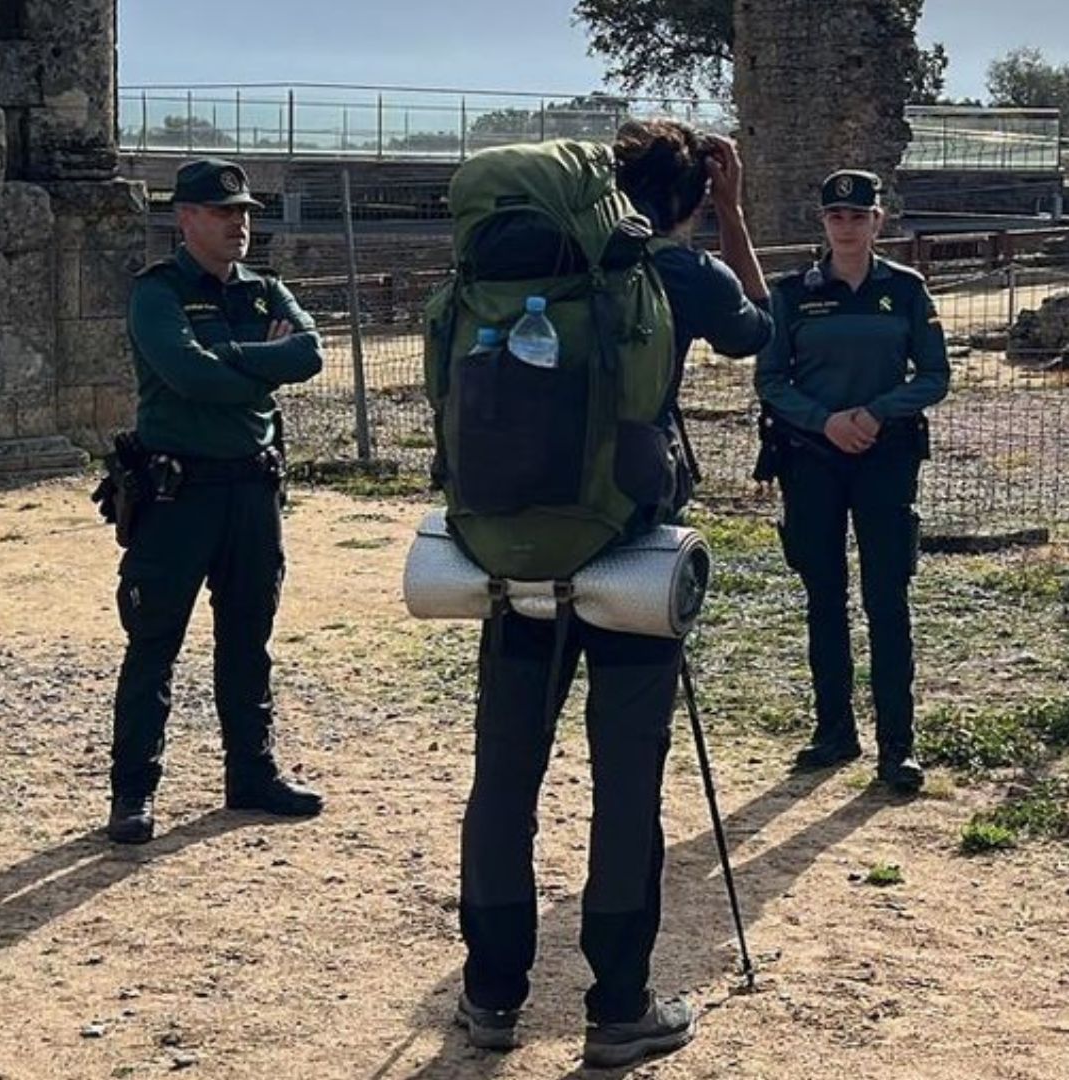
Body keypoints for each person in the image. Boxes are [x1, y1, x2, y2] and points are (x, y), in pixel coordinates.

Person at [450, 121, 772, 1065]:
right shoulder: (673, 272)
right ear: (686, 200)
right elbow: (758, 330)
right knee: (625, 783)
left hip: (512, 553)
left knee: (505, 776)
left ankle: (489, 996)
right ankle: (619, 1005)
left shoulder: (514, 269)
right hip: (628, 554)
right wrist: (736, 216)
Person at [108, 158, 325, 845]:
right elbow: (183, 373)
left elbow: (311, 354)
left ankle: (251, 774)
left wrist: (222, 355)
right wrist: (256, 366)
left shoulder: (267, 291)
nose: (241, 224)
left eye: (246, 212)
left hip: (250, 490)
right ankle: (133, 792)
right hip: (177, 494)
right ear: (187, 218)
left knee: (248, 639)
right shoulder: (157, 291)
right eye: (225, 212)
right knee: (154, 643)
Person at [755, 169, 950, 794]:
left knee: (887, 599)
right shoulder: (792, 293)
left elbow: (934, 375)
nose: (846, 226)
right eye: (836, 216)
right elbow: (770, 378)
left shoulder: (907, 290)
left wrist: (873, 414)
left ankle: (899, 747)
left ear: (877, 221)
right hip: (811, 457)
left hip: (885, 456)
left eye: (858, 216)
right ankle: (833, 732)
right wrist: (826, 421)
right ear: (824, 222)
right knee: (824, 597)